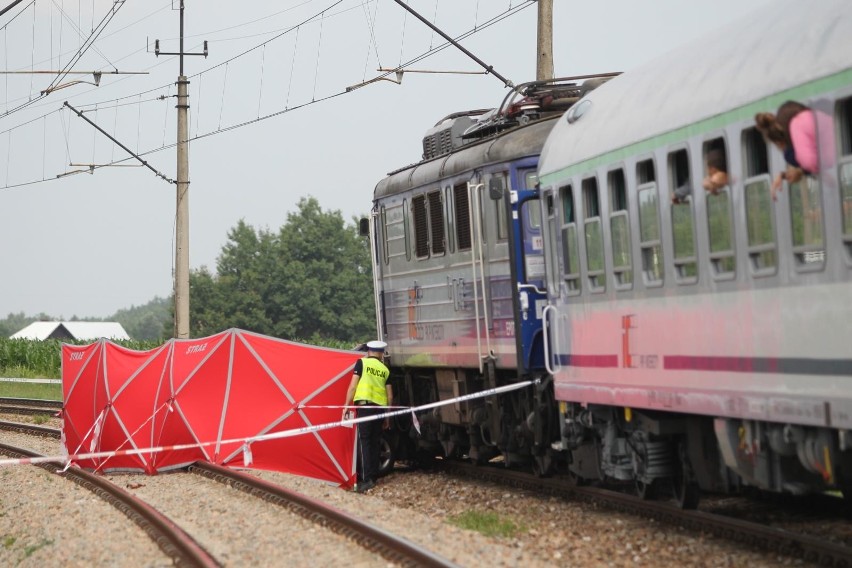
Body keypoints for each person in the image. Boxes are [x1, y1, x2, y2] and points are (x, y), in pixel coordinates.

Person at [755, 101, 835, 200]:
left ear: (779, 143)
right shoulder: (819, 120)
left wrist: (800, 171)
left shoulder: (791, 153)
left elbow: (829, 179)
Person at [344, 339, 392, 493]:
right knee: (375, 442)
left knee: (364, 442)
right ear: (381, 353)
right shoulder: (385, 369)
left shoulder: (361, 363)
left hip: (365, 408)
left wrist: (346, 405)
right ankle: (374, 477)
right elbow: (390, 396)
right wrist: (387, 416)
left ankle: (366, 480)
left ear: (369, 351)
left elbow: (353, 386)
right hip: (379, 409)